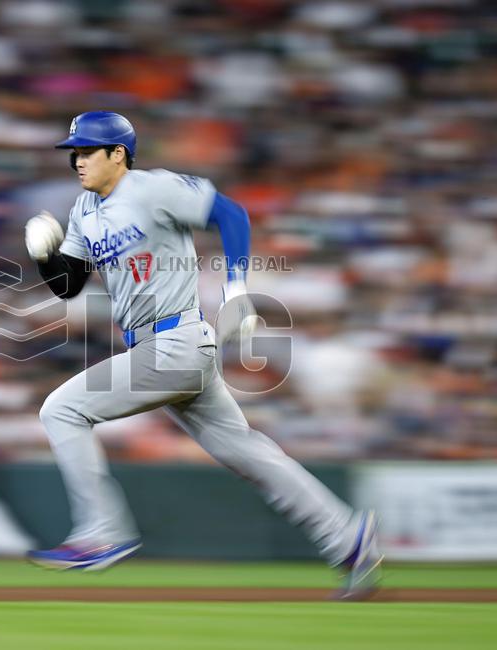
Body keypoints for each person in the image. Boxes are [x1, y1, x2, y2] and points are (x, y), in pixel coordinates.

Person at [23, 111, 381, 599]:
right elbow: (69, 286)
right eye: (74, 152)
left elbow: (230, 214)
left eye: (86, 151)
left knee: (61, 409)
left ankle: (100, 531)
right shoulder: (85, 210)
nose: (78, 160)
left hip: (176, 340)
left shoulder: (153, 188)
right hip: (163, 349)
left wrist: (236, 288)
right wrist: (47, 257)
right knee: (249, 454)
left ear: (118, 154)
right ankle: (348, 538)